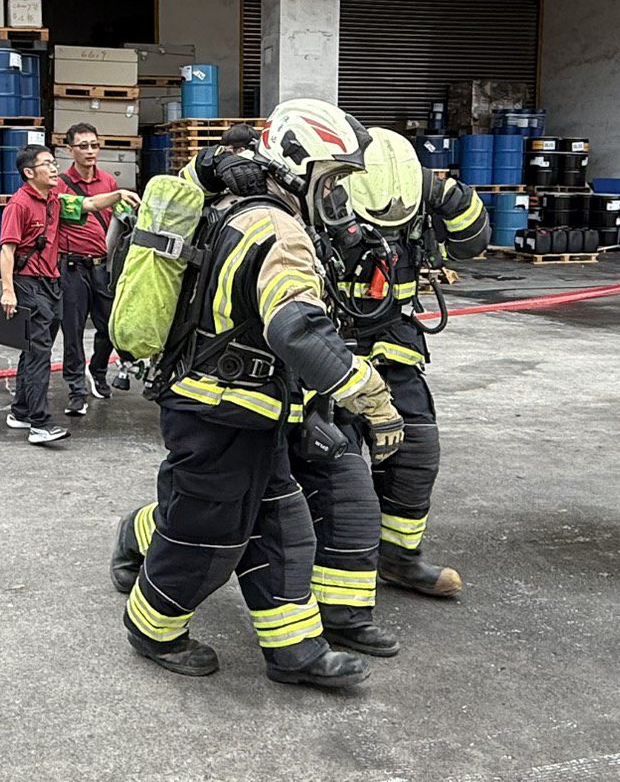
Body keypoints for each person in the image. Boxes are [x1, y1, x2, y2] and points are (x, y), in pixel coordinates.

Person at [110, 99, 406, 689]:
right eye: (335, 180)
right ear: (300, 168)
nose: (340, 198)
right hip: (219, 409)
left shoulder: (241, 209)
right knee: (205, 536)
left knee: (282, 527)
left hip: (249, 409)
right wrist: (370, 395)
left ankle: (294, 650)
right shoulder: (278, 229)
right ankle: (153, 628)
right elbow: (295, 328)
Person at [331, 127, 489, 617]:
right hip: (326, 343)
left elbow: (474, 243)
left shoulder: (417, 196)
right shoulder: (323, 197)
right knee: (334, 464)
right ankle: (329, 566)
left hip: (393, 340)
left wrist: (448, 192)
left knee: (417, 447)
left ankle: (398, 558)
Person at [0, 144, 135, 445]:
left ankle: (20, 412)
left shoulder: (54, 200)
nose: (53, 168)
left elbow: (87, 205)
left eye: (52, 162)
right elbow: (7, 249)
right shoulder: (19, 205)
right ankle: (40, 424)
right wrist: (8, 291)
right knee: (38, 355)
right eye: (46, 164)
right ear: (29, 172)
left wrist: (118, 195)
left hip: (50, 282)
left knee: (32, 351)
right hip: (28, 284)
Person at [56, 122, 118, 416]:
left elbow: (120, 221)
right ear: (69, 150)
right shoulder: (58, 183)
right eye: (83, 146)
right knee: (73, 330)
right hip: (71, 268)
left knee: (110, 327)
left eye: (94, 144)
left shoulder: (108, 181)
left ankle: (99, 369)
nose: (90, 151)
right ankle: (76, 388)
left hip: (102, 267)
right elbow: (84, 206)